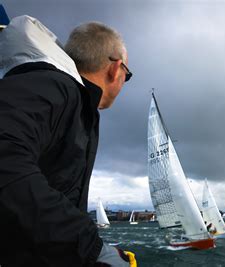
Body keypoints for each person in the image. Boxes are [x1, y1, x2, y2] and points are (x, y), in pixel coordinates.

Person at [0, 15, 135, 266]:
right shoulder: (56, 88)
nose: (123, 82)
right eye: (127, 76)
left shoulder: (69, 98)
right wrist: (89, 248)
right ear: (116, 69)